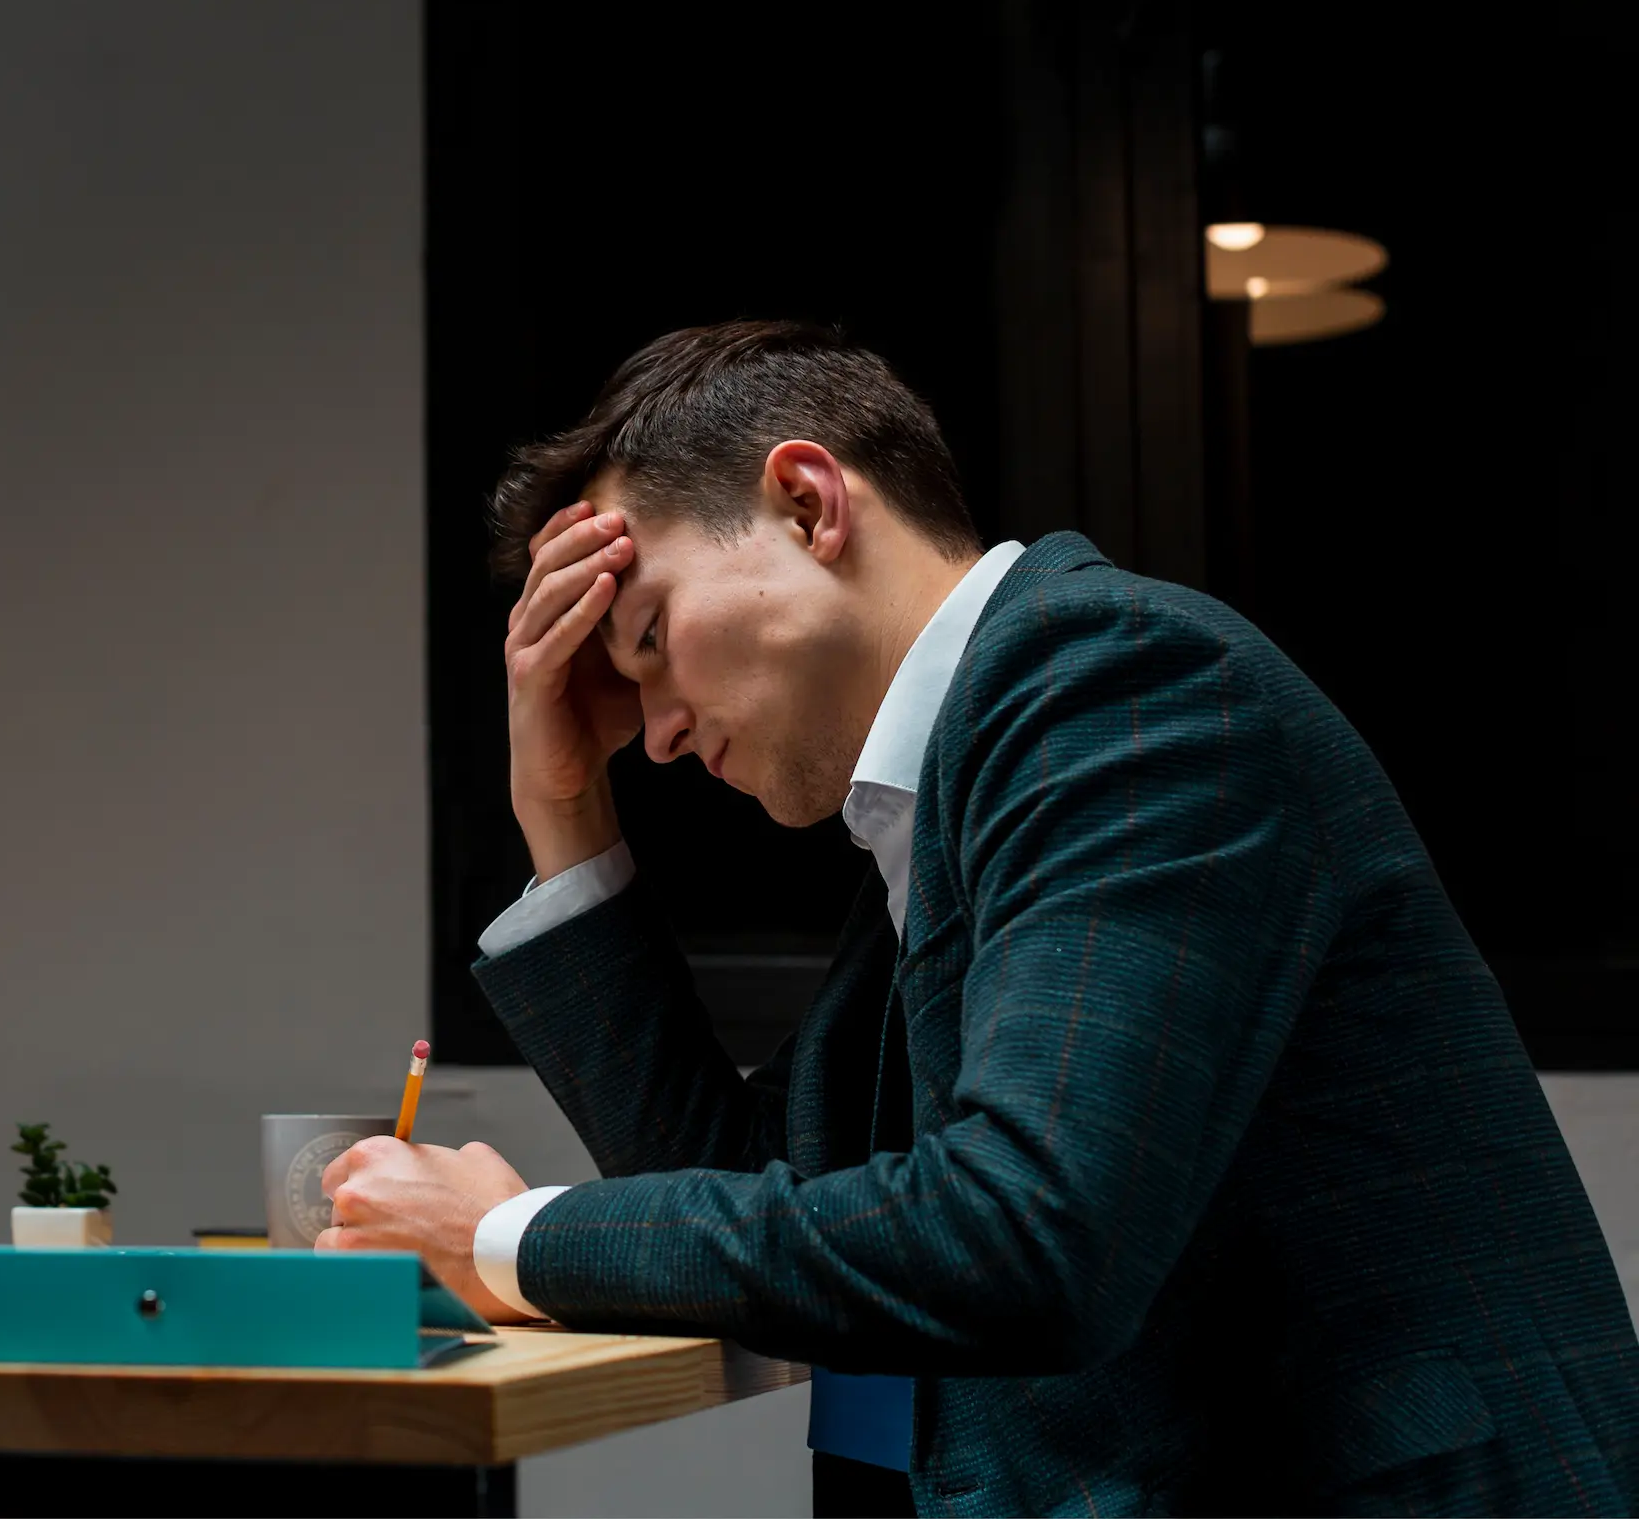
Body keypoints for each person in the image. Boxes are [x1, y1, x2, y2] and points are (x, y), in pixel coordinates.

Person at [316, 321, 1638, 1515]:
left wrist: (511, 1234)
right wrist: (564, 809)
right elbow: (756, 1173)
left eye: (651, 635)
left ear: (806, 500)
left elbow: (1023, 1232)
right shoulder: (942, 791)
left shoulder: (1122, 689)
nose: (652, 734)